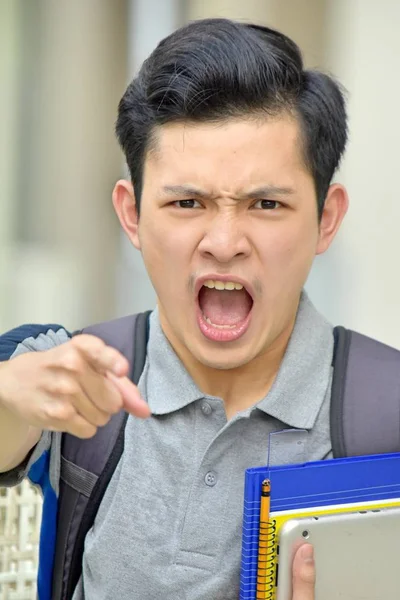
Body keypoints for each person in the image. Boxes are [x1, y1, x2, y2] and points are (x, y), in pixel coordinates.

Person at [0, 17, 350, 600]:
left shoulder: (384, 415)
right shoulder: (69, 374)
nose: (223, 240)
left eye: (265, 203)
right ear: (132, 215)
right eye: (187, 202)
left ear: (326, 218)